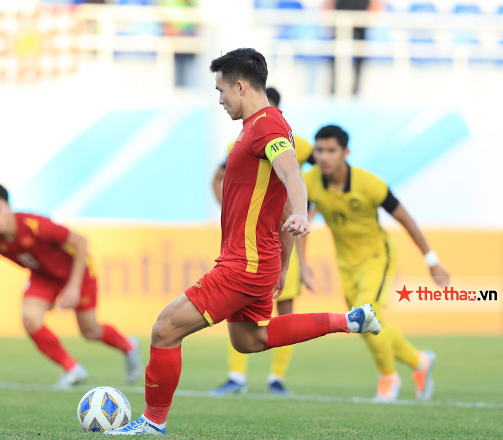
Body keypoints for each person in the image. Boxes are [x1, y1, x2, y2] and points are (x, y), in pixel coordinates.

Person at [107, 48, 381, 436]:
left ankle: (152, 422)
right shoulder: (263, 125)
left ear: (240, 85)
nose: (219, 101)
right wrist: (284, 264)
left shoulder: (267, 128)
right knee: (250, 340)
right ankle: (349, 321)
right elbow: (279, 202)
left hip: (245, 264)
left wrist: (302, 213)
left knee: (165, 329)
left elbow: (292, 179)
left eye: (221, 91)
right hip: (259, 260)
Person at [298, 125, 449, 402]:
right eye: (319, 150)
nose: (324, 157)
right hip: (346, 263)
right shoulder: (308, 182)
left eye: (331, 150)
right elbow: (302, 220)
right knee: (364, 325)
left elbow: (406, 219)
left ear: (346, 152)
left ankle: (388, 379)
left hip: (377, 257)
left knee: (365, 316)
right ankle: (419, 362)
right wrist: (302, 265)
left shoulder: (370, 184)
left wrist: (432, 260)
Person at [0, 184, 142, 388]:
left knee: (90, 331)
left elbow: (81, 242)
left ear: (8, 207)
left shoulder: (35, 225)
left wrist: (73, 286)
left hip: (78, 272)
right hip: (44, 277)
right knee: (29, 318)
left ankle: (129, 346)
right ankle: (72, 369)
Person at [209, 86, 315, 396]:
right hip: (251, 241)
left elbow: (303, 177)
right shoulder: (238, 143)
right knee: (237, 308)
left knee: (285, 306)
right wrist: (233, 210)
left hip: (285, 235)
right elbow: (217, 179)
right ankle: (236, 377)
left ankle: (276, 379)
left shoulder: (295, 143)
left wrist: (304, 212)